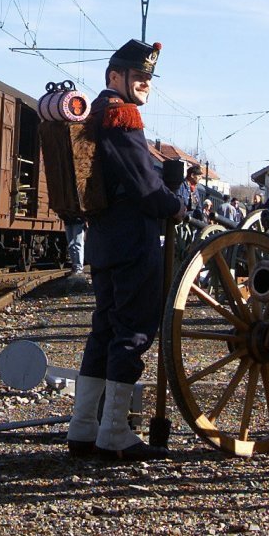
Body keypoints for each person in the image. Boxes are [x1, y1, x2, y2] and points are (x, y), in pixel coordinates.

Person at [65, 39, 185, 461]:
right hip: (133, 237)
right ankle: (114, 430)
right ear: (114, 77)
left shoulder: (98, 113)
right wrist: (175, 202)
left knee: (105, 329)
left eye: (148, 77)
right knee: (132, 331)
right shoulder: (122, 114)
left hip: (104, 237)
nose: (145, 83)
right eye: (138, 76)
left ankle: (83, 427)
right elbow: (142, 182)